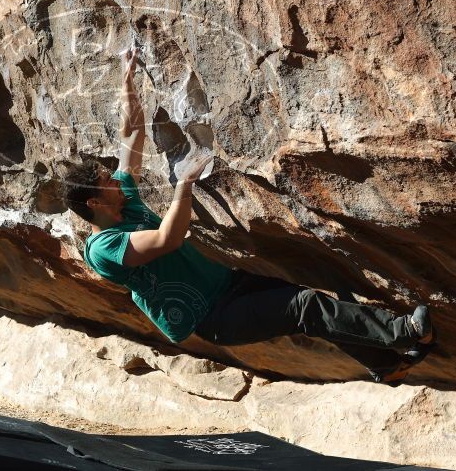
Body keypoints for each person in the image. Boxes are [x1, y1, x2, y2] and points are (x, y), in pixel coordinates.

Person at [62, 48, 436, 385]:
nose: (114, 176)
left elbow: (131, 135)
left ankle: (387, 366)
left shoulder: (123, 200)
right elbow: (166, 240)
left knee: (309, 306)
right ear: (94, 203)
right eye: (104, 180)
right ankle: (406, 332)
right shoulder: (103, 249)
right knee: (305, 306)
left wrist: (127, 81)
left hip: (228, 285)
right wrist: (184, 185)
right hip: (212, 317)